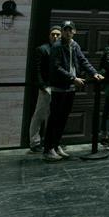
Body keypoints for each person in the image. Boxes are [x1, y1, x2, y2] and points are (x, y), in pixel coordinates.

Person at [44, 21, 104, 162]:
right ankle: (48, 149)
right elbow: (56, 67)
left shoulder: (75, 45)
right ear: (62, 31)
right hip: (59, 87)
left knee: (63, 118)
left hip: (70, 88)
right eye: (65, 30)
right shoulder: (57, 46)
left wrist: (94, 73)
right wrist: (73, 78)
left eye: (70, 30)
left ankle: (56, 145)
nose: (68, 32)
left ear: (74, 31)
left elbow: (83, 60)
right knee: (55, 118)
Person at [28, 26, 60, 152]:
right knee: (40, 114)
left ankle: (50, 142)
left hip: (58, 87)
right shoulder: (42, 49)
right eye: (53, 34)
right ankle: (35, 142)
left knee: (52, 116)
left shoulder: (61, 49)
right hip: (46, 87)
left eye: (57, 34)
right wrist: (42, 86)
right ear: (49, 35)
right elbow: (37, 69)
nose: (55, 37)